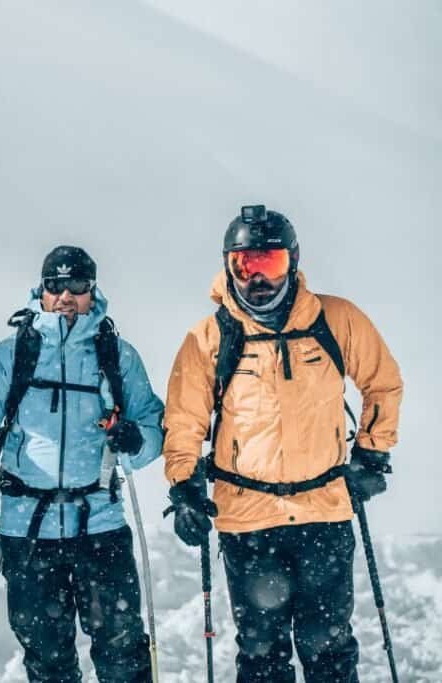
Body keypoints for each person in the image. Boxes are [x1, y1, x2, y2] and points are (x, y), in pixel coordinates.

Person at [162, 205, 403, 682]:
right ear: (228, 266)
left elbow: (384, 383)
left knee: (330, 647)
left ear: (293, 261)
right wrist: (185, 487)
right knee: (261, 654)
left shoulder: (336, 319)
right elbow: (184, 420)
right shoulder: (210, 336)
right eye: (244, 266)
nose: (258, 280)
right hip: (248, 520)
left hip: (324, 512)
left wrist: (372, 455)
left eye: (268, 264)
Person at [0, 245, 164, 683]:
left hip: (100, 522)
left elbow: (153, 428)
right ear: (42, 291)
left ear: (92, 292)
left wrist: (135, 439)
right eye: (55, 286)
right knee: (47, 657)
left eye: (77, 286)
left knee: (123, 649)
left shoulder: (116, 357)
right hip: (26, 529)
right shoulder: (11, 355)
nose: (65, 296)